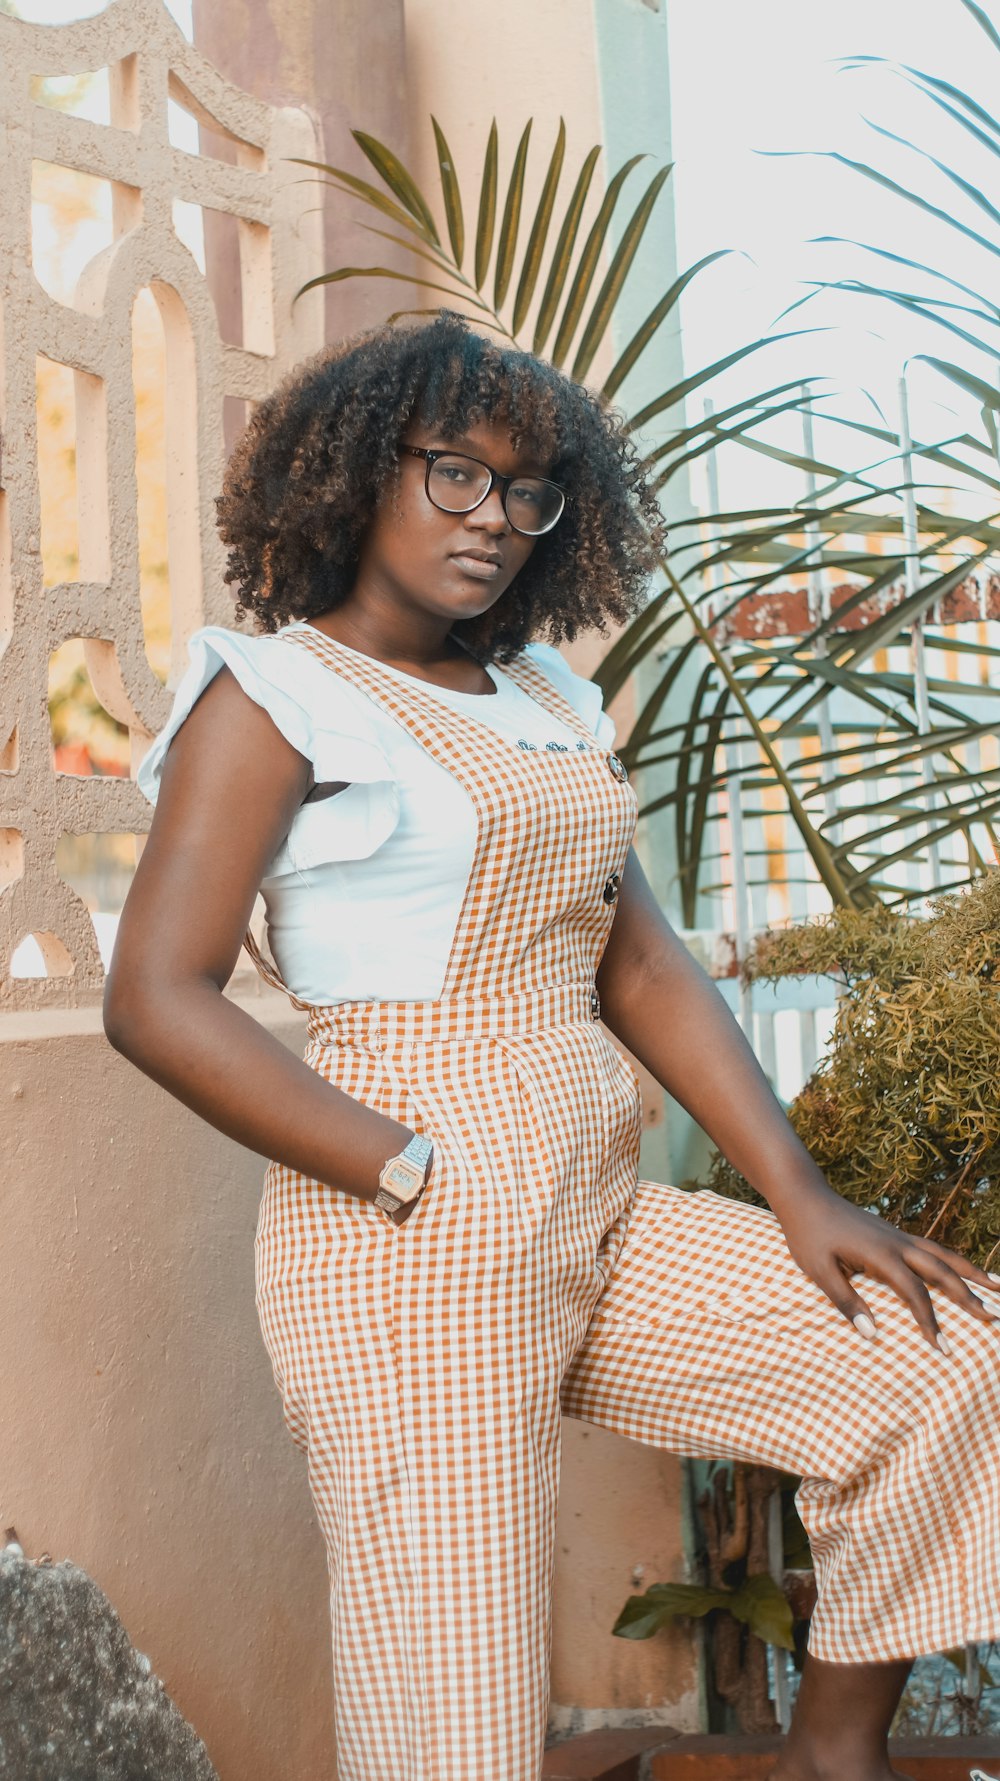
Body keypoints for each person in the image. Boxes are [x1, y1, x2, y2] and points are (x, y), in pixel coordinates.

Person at [104, 312, 1000, 1781]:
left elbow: (635, 959)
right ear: (354, 475)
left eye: (531, 493)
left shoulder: (538, 697)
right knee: (454, 1705)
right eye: (455, 474)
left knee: (937, 1358)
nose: (496, 521)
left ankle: (829, 1759)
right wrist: (398, 1167)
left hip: (590, 1191)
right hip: (412, 1223)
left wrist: (801, 1195)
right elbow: (157, 992)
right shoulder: (273, 697)